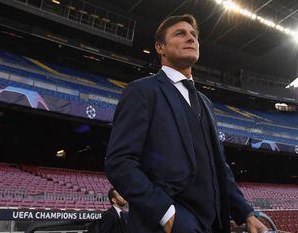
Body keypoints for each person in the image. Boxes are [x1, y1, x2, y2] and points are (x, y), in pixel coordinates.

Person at [105, 14, 267, 233]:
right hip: (167, 224)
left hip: (213, 224)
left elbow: (219, 167)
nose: (190, 38)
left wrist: (246, 213)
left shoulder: (206, 103)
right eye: (180, 34)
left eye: (193, 35)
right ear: (160, 47)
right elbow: (119, 162)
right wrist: (167, 215)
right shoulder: (142, 91)